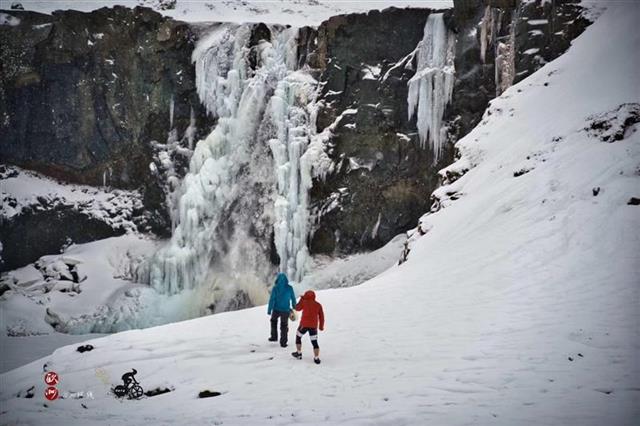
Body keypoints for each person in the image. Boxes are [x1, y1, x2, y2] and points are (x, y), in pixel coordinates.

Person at [291, 290, 324, 364]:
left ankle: (299, 353)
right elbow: (321, 317)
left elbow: (297, 308)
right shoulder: (318, 305)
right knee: (314, 342)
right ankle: (316, 358)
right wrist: (321, 326)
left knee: (298, 337)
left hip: (304, 325)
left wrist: (302, 299)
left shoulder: (304, 302)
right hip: (313, 327)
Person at [267, 272, 296, 347]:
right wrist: (294, 306)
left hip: (276, 309)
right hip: (285, 310)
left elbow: (272, 299)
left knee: (273, 321)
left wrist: (269, 309)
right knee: (284, 325)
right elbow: (293, 298)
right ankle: (283, 342)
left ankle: (274, 337)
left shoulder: (275, 288)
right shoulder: (290, 288)